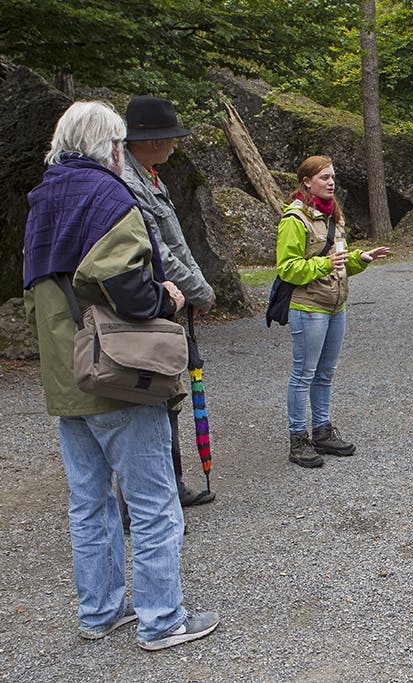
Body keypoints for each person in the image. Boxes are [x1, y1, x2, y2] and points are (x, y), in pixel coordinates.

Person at [22, 101, 219, 650]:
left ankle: (100, 611)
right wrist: (169, 294)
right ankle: (163, 619)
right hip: (118, 375)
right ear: (110, 145)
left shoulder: (43, 199)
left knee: (89, 504)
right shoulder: (108, 195)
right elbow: (126, 288)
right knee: (154, 501)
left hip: (68, 375)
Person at [121, 95, 215, 508]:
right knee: (153, 392)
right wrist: (199, 290)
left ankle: (170, 487)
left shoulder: (151, 176)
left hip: (167, 301)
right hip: (148, 302)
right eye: (171, 137)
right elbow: (161, 251)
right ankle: (147, 497)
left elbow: (178, 244)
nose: (176, 145)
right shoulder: (127, 181)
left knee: (170, 392)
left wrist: (196, 286)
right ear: (153, 140)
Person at [278, 155, 391, 468]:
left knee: (325, 373)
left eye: (332, 177)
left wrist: (360, 259)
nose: (330, 182)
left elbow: (338, 264)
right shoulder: (294, 219)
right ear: (307, 181)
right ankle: (298, 440)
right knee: (304, 375)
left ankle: (323, 431)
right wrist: (323, 264)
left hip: (336, 305)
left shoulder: (333, 216)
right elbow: (287, 269)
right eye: (324, 177)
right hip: (309, 306)